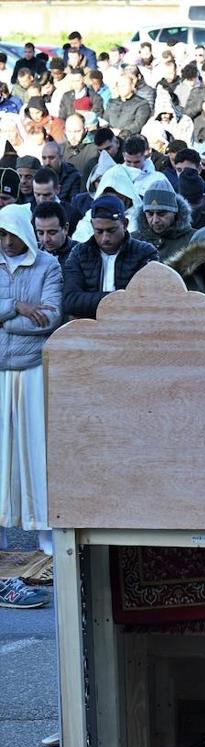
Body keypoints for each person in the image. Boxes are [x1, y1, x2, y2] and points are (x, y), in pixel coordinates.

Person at [0, 204, 62, 561]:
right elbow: (33, 314)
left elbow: (50, 317)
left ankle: (46, 537)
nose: (7, 242)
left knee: (36, 451)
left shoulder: (47, 265)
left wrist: (5, 316)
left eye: (12, 234)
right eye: (2, 234)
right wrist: (18, 306)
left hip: (32, 368)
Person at [62, 194, 157, 318]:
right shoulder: (79, 254)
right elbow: (70, 301)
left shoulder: (145, 253)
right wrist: (118, 298)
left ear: (125, 224)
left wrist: (98, 300)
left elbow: (148, 301)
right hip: (89, 328)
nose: (105, 238)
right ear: (92, 225)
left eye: (111, 231)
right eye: (99, 232)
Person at [130, 183, 194, 263]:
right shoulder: (133, 240)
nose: (155, 220)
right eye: (150, 214)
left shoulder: (193, 239)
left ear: (175, 212)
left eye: (161, 214)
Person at [32, 202, 75, 268]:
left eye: (52, 233)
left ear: (65, 228)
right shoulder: (32, 253)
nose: (46, 239)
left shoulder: (81, 254)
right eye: (41, 233)